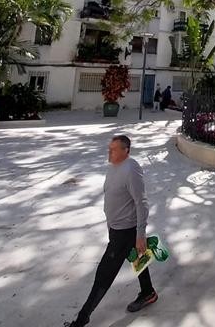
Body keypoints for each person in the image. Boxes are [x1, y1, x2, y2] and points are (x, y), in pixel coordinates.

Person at [65, 135, 157, 327]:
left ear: (126, 150)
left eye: (114, 149)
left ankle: (81, 320)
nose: (110, 152)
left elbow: (141, 203)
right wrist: (110, 227)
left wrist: (140, 234)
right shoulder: (113, 167)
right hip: (116, 230)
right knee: (137, 258)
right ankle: (148, 292)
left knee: (103, 275)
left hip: (126, 231)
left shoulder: (131, 169)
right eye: (109, 148)